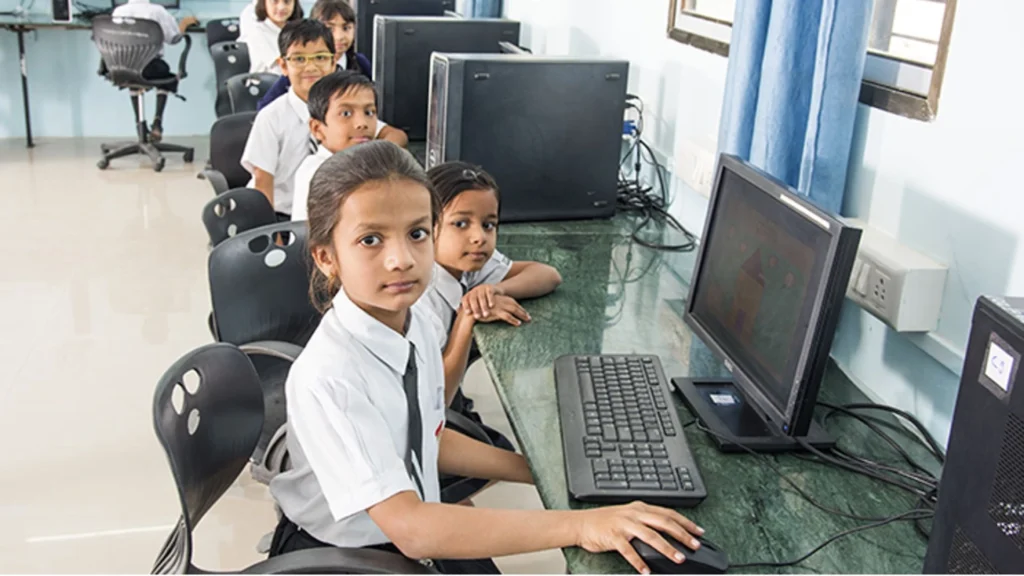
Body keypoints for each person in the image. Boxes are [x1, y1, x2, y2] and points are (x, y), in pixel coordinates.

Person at [267, 141, 706, 575]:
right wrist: (581, 524)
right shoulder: (330, 377)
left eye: (417, 233)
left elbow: (424, 437)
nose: (401, 259)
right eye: (370, 240)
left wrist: (548, 474)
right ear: (327, 257)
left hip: (410, 530)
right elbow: (412, 529)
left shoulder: (411, 320)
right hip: (348, 557)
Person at [424, 162, 562, 413]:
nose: (479, 237)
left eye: (488, 224)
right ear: (425, 225)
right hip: (426, 420)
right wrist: (468, 315)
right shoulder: (421, 297)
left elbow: (548, 275)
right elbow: (436, 399)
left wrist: (497, 290)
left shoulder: (466, 262)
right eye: (461, 224)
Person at [240, 19, 334, 219]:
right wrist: (275, 236)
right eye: (299, 59)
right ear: (283, 65)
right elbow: (262, 182)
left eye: (320, 57)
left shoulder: (343, 111)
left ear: (333, 63)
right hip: (280, 214)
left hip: (327, 217)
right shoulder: (271, 117)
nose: (311, 67)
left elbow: (387, 133)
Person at [291, 71, 409, 222]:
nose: (362, 123)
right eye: (346, 113)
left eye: (369, 112)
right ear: (317, 129)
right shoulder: (316, 172)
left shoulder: (368, 164)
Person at [110, 0, 199, 142]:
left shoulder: (118, 12)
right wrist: (183, 25)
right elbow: (173, 39)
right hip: (150, 68)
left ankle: (139, 126)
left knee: (133, 78)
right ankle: (157, 123)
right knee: (165, 75)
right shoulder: (157, 11)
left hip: (122, 67)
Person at [258, 0, 370, 110]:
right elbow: (266, 108)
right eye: (330, 28)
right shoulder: (299, 70)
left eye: (346, 28)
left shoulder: (359, 62)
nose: (339, 36)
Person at [238, 0, 303, 74]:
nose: (281, 7)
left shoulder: (297, 29)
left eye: (287, 2)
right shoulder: (256, 31)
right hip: (266, 82)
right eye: (274, 1)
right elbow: (278, 68)